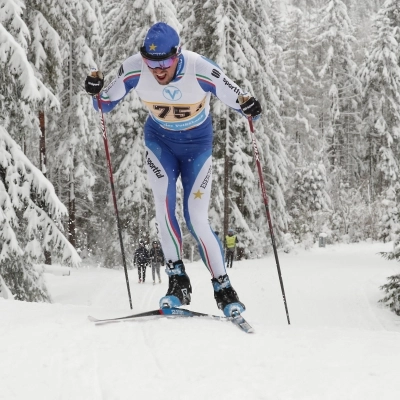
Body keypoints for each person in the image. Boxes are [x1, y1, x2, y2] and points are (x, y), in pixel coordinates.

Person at [84, 22, 261, 317]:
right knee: (163, 210)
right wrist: (95, 91)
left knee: (197, 219)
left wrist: (248, 105)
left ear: (177, 54)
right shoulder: (134, 69)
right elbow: (103, 104)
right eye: (152, 62)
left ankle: (223, 288)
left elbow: (234, 93)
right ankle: (177, 283)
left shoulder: (198, 67)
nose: (158, 69)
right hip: (160, 143)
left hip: (197, 148)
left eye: (165, 61)